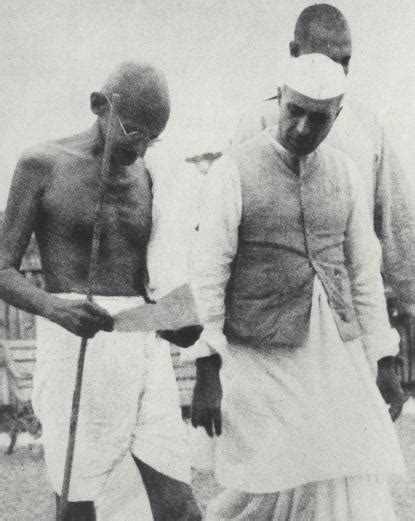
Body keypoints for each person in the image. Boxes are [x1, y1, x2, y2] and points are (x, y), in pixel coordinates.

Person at [190, 54, 405, 519]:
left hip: (335, 354)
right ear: (280, 99)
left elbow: (364, 274)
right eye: (297, 111)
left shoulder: (346, 174)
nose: (305, 127)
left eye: (320, 117)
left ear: (338, 115)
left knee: (347, 467)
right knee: (267, 480)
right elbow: (209, 273)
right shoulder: (233, 171)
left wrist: (384, 359)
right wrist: (206, 369)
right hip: (259, 352)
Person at [0, 61, 201, 520]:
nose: (141, 146)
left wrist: (173, 321)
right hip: (72, 340)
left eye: (153, 136)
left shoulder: (150, 175)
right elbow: (2, 268)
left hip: (140, 347)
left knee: (181, 507)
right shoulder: (42, 163)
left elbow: (159, 275)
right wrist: (56, 309)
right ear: (98, 106)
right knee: (77, 502)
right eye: (133, 130)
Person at [233, 3, 415, 418]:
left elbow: (396, 225)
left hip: (348, 317)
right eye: (324, 58)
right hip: (272, 325)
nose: (337, 70)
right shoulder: (257, 121)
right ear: (294, 52)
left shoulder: (367, 126)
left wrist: (408, 308)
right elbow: (226, 235)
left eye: (345, 60)